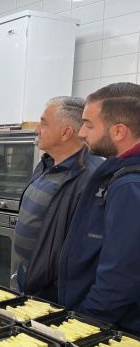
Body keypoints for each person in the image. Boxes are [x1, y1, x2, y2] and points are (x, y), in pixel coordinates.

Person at [59, 82, 140, 333]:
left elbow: (122, 274)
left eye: (89, 124)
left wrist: (87, 322)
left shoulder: (130, 184)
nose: (82, 132)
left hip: (114, 326)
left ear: (118, 131)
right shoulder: (121, 171)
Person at [14, 97, 103, 302]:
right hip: (29, 272)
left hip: (54, 287)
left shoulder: (91, 177)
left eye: (43, 123)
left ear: (66, 132)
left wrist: (55, 282)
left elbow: (87, 248)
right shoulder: (47, 162)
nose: (37, 129)